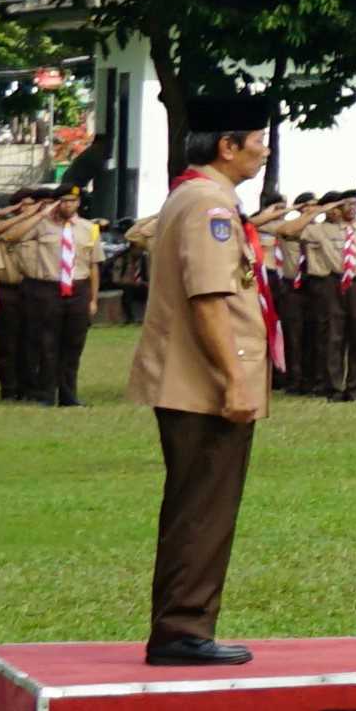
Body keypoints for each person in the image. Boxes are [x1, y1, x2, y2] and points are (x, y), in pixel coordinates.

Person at [124, 96, 283, 666]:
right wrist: (235, 381)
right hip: (203, 386)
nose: (265, 150)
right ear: (227, 145)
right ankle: (182, 631)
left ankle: (182, 626)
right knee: (202, 509)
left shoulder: (202, 198)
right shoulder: (207, 206)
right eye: (258, 139)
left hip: (198, 381)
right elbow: (211, 299)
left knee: (200, 505)